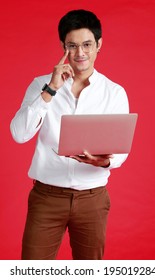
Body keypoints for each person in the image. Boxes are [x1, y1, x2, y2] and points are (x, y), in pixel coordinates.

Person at [10, 9, 129, 260]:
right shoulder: (41, 84)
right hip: (47, 197)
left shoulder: (114, 93)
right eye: (72, 45)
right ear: (63, 47)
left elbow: (120, 150)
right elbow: (19, 134)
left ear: (99, 45)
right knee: (32, 272)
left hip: (92, 198)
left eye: (87, 44)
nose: (80, 53)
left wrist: (104, 161)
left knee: (89, 272)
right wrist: (50, 89)